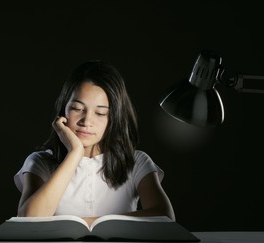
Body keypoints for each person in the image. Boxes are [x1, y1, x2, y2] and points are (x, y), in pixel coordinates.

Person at [14, 60, 175, 226]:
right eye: (77, 108)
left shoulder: (136, 162)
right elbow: (28, 220)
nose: (87, 121)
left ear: (114, 118)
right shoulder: (39, 162)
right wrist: (75, 153)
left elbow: (165, 216)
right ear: (64, 110)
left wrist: (90, 223)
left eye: (100, 113)